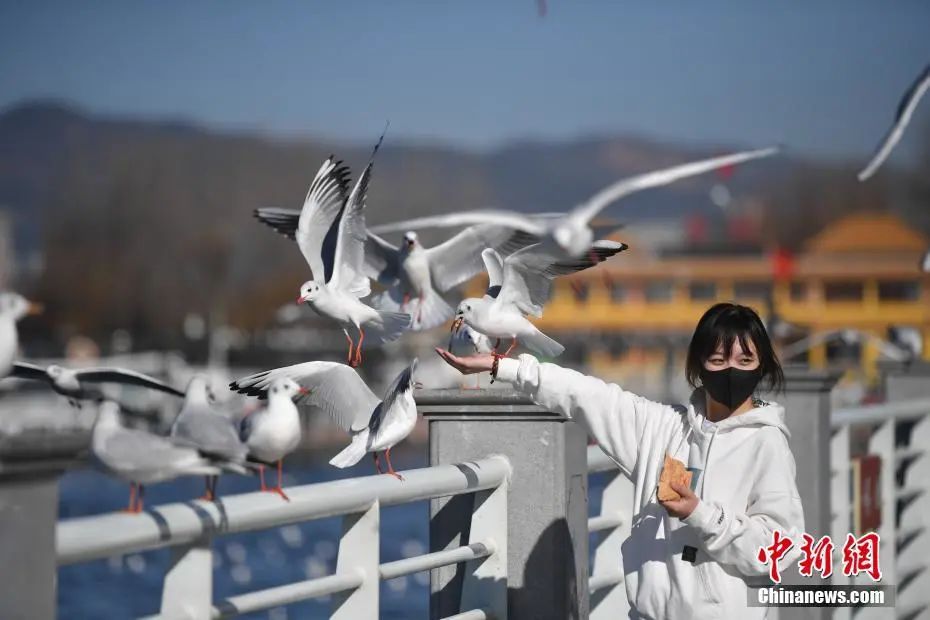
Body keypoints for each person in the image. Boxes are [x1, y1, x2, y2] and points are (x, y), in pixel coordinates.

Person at [437, 302, 804, 619]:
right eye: (718, 359)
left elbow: (780, 547)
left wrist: (701, 515)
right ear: (697, 366)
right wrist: (502, 367)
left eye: (745, 360)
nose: (730, 370)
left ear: (763, 367)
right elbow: (584, 393)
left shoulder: (766, 442)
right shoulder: (661, 428)